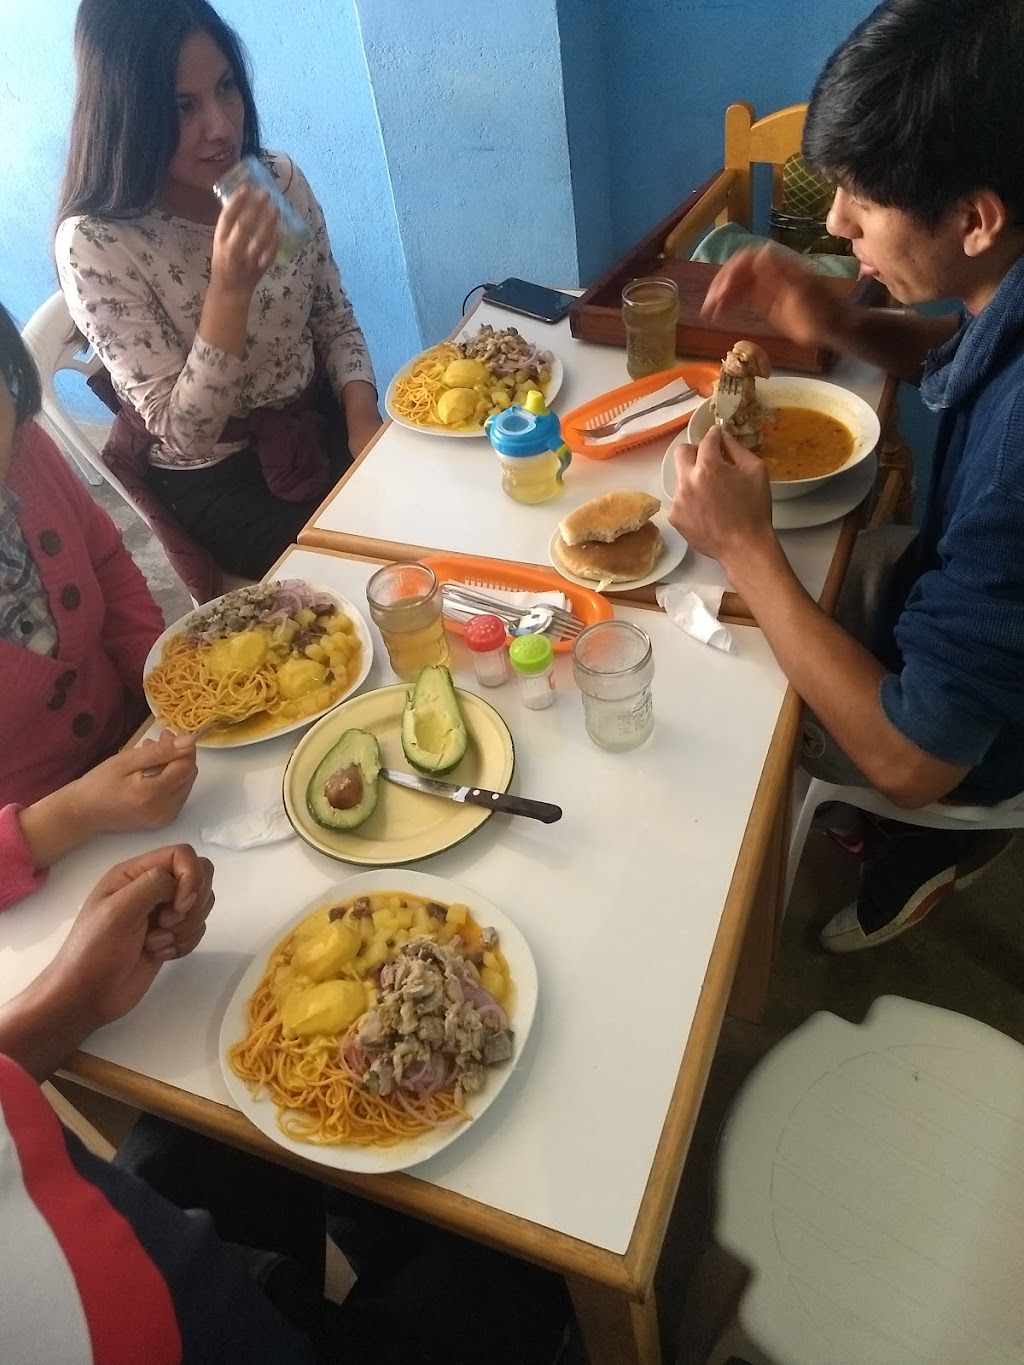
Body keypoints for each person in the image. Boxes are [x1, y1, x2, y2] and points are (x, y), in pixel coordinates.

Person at [668, 0, 1024, 953]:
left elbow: (913, 758)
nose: (834, 222)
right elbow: (967, 351)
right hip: (951, 605)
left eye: (863, 200)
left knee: (727, 704)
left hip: (972, 745)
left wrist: (744, 545)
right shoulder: (1007, 279)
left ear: (975, 218)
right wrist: (838, 322)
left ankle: (927, 845)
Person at [1, 845, 571, 1364]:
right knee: (519, 1260)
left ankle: (361, 1218)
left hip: (147, 1231)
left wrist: (72, 1000)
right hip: (219, 1335)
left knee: (293, 1152)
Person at [55, 0, 383, 597]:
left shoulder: (271, 181)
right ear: (127, 114)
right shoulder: (98, 244)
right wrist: (230, 290)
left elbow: (332, 316)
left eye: (226, 87)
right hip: (221, 475)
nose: (221, 127)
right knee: (366, 577)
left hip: (318, 422)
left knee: (428, 514)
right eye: (183, 107)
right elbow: (185, 435)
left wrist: (363, 423)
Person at [0, 302, 197, 913]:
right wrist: (76, 814)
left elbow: (107, 567)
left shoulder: (25, 449)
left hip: (141, 748)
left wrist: (161, 686)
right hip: (37, 880)